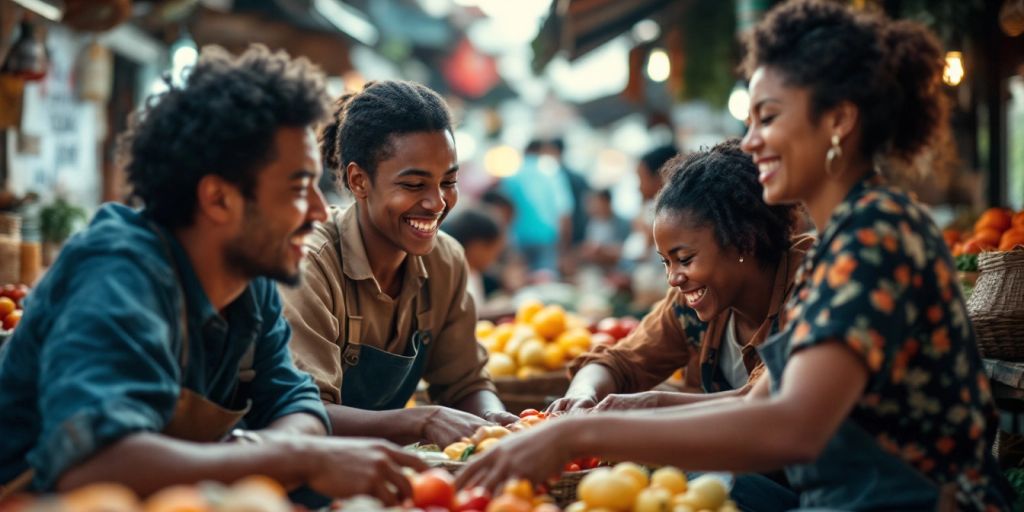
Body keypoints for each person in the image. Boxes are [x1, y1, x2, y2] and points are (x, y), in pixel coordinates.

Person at [455, 2, 1012, 509]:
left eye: (767, 117)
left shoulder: (876, 236)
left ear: (839, 120)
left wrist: (579, 434)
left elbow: (792, 428)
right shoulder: (848, 240)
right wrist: (638, 408)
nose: (750, 141)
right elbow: (759, 402)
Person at [0, 45, 424, 503]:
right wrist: (296, 460)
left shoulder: (250, 284)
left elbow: (295, 400)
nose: (321, 212)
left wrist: (270, 449)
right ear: (219, 199)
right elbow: (94, 463)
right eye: (300, 188)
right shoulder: (117, 272)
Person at [278, 80, 518, 449]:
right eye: (414, 185)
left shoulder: (446, 260)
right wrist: (424, 420)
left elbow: (464, 383)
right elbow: (306, 412)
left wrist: (495, 422)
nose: (437, 202)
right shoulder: (310, 265)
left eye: (448, 182)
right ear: (359, 180)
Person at [548, 140, 810, 415]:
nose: (673, 278)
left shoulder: (810, 283)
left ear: (743, 243)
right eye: (666, 262)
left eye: (684, 259)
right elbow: (621, 362)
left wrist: (653, 404)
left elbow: (764, 405)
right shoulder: (692, 302)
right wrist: (582, 393)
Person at [499, 140, 574, 277]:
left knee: (520, 281)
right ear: (541, 152)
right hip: (547, 237)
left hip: (519, 238)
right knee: (545, 280)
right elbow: (564, 212)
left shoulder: (513, 176)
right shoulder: (551, 174)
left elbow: (504, 211)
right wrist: (564, 248)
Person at [441, 208, 507, 311]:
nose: (494, 260)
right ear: (477, 248)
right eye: (493, 252)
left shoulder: (473, 274)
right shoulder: (451, 278)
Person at [577, 189, 632, 272]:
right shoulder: (592, 224)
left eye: (597, 202)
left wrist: (603, 250)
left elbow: (625, 250)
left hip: (617, 269)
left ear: (606, 202)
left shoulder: (623, 224)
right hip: (596, 267)